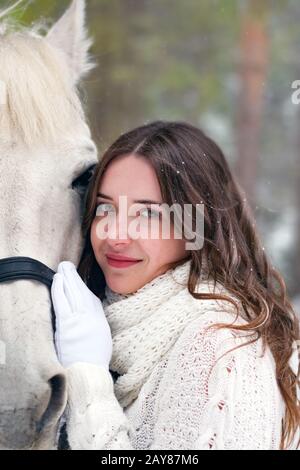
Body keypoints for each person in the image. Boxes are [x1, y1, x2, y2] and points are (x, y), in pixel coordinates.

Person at [51, 120, 299, 450]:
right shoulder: (97, 321)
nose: (115, 234)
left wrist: (89, 380)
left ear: (197, 227)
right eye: (105, 207)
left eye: (149, 214)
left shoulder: (220, 346)